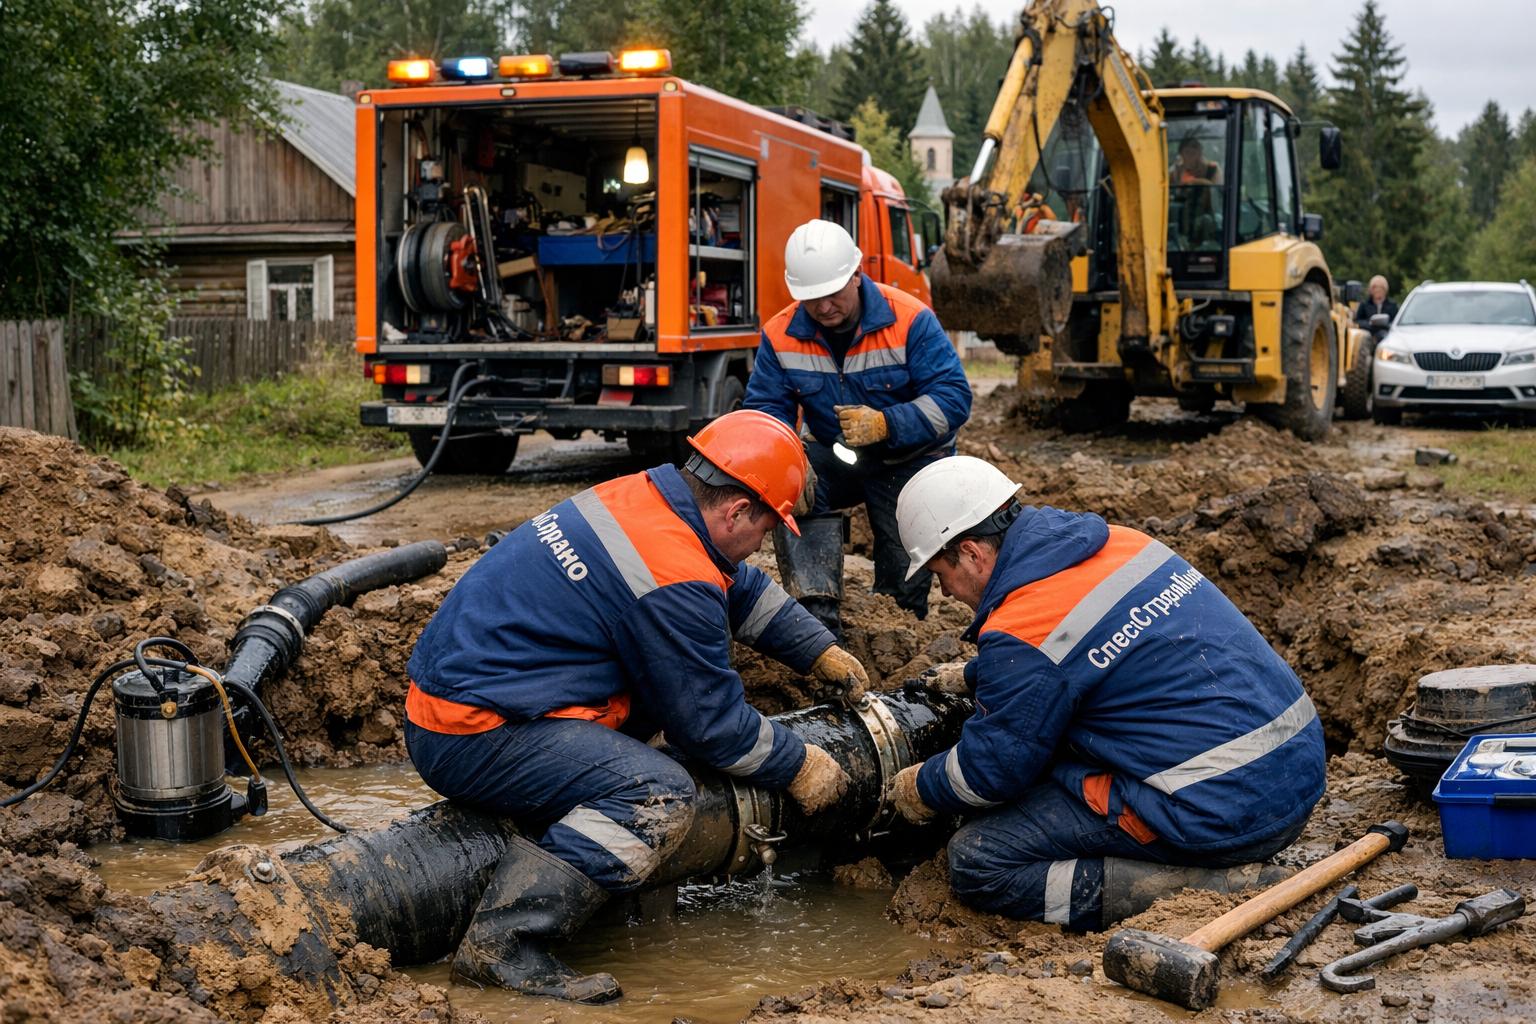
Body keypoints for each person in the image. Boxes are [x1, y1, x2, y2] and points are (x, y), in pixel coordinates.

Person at [404, 409, 870, 1002]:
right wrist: (798, 764)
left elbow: (735, 585)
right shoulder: (672, 571)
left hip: (473, 698)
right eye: (768, 529)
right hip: (472, 733)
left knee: (655, 729)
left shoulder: (650, 496)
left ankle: (597, 887)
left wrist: (817, 650)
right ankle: (504, 945)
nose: (764, 545)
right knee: (657, 792)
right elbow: (714, 728)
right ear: (737, 511)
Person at [888, 456, 1325, 930]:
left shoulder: (1025, 630)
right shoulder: (1121, 543)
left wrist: (921, 787)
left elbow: (992, 773)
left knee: (979, 859)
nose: (946, 593)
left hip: (1224, 815)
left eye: (939, 575)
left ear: (971, 553)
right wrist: (979, 675)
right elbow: (1092, 655)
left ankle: (1206, 889)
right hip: (1295, 771)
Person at [744, 219, 973, 638]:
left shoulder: (909, 319)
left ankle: (898, 622)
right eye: (812, 299)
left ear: (856, 274)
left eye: (833, 294)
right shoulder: (780, 335)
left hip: (912, 458)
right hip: (838, 453)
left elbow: (954, 399)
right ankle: (816, 612)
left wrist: (888, 423)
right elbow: (765, 409)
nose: (824, 307)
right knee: (797, 487)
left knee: (903, 559)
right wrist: (785, 462)